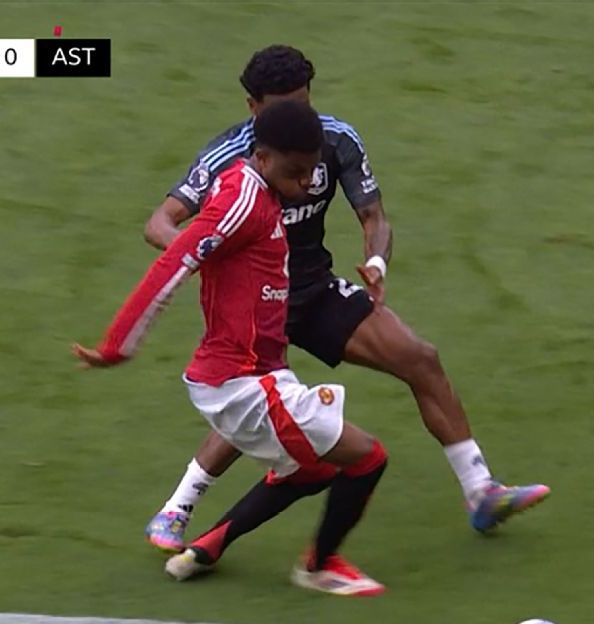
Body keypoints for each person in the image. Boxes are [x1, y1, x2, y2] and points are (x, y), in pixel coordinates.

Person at [142, 45, 548, 551]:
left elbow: (374, 217)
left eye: (303, 104)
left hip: (313, 290)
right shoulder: (227, 157)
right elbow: (160, 223)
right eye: (281, 109)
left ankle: (481, 491)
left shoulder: (334, 139)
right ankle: (176, 509)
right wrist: (209, 252)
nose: (298, 120)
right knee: (257, 406)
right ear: (252, 107)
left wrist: (376, 262)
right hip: (255, 305)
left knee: (419, 358)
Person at [74, 100, 389, 597]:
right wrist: (118, 345)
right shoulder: (242, 198)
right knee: (367, 457)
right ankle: (319, 565)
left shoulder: (262, 189)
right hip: (241, 383)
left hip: (258, 376)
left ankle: (206, 548)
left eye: (312, 171)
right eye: (295, 171)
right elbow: (174, 262)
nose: (306, 183)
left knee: (312, 469)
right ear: (262, 157)